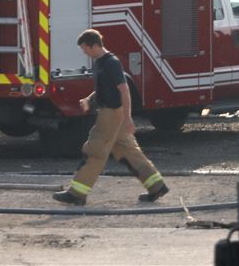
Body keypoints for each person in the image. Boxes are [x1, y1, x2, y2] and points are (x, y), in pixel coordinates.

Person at [53, 28, 169, 206]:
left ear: (94, 46)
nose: (84, 52)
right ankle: (157, 186)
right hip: (113, 114)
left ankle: (77, 193)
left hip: (111, 113)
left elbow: (124, 90)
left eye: (85, 48)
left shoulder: (111, 63)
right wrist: (89, 99)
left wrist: (128, 118)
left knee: (95, 149)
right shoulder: (100, 63)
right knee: (129, 151)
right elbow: (104, 88)